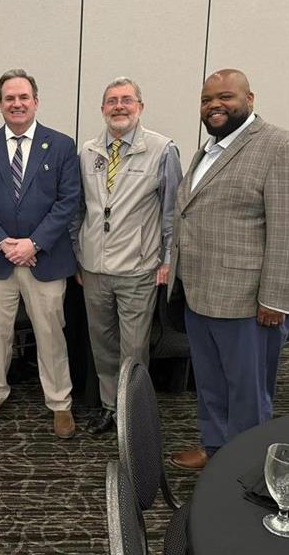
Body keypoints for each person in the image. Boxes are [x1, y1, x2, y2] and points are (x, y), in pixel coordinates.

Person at [169, 69, 289, 470]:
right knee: (211, 385)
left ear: (250, 99)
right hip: (201, 294)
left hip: (247, 302)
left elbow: (285, 228)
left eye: (225, 97)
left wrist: (275, 298)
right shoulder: (211, 148)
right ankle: (216, 450)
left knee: (248, 393)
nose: (214, 106)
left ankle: (247, 470)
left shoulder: (276, 145)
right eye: (206, 100)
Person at [0, 69, 81, 437]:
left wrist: (33, 244)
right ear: (0, 104)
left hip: (44, 259)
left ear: (36, 101)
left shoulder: (61, 145)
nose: (16, 104)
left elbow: (68, 202)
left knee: (50, 333)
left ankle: (60, 403)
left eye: (23, 97)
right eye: (9, 98)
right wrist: (5, 244)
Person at [72, 77, 182, 435]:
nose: (119, 106)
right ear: (102, 109)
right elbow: (78, 211)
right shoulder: (88, 151)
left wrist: (168, 261)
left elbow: (172, 214)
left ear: (140, 107)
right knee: (103, 345)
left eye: (127, 100)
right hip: (93, 269)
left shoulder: (163, 150)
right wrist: (78, 255)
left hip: (138, 269)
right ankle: (109, 407)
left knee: (133, 350)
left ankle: (131, 415)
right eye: (111, 101)